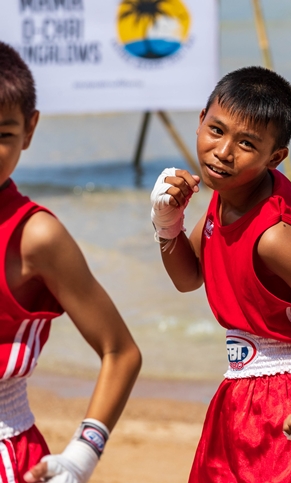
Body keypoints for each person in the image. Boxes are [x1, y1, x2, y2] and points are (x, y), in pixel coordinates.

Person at [150, 66, 291, 482]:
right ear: (200, 119)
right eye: (216, 130)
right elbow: (189, 278)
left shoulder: (275, 237)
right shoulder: (223, 199)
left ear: (275, 157)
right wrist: (167, 223)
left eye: (247, 144)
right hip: (239, 391)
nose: (223, 151)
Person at [0, 42, 142, 483]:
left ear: (30, 129)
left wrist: (83, 455)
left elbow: (120, 352)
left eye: (3, 135)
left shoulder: (35, 236)